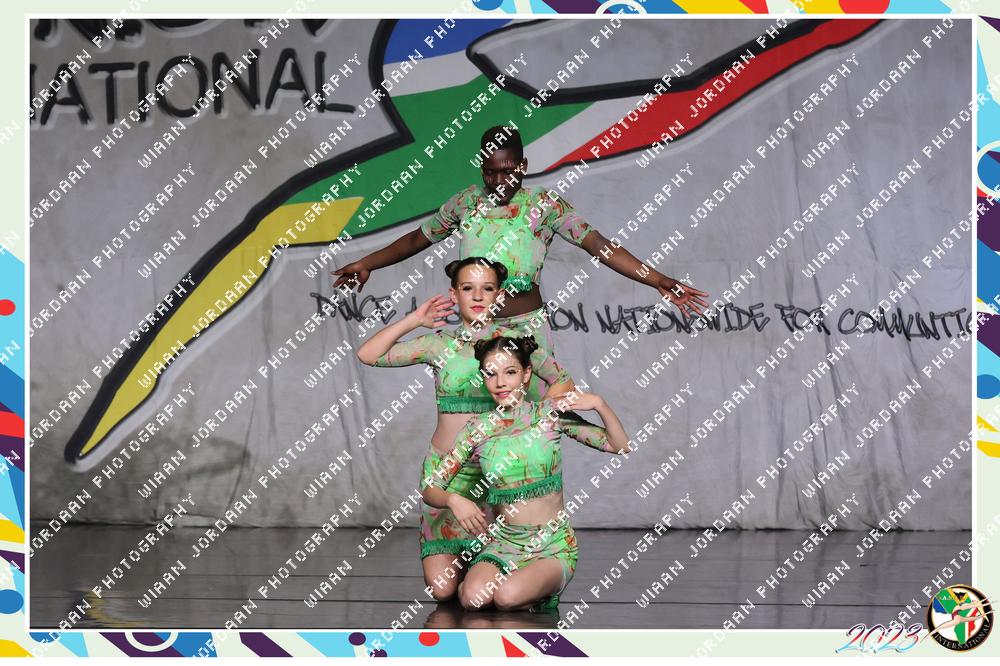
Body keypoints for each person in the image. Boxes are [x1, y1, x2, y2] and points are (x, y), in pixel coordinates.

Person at [334, 125, 709, 379]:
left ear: (523, 166)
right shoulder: (466, 203)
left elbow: (599, 245)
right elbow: (417, 240)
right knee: (476, 430)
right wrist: (367, 263)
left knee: (529, 431)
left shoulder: (543, 205)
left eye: (508, 171)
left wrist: (656, 279)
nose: (499, 181)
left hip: (528, 331)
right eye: (490, 172)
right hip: (477, 332)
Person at [356, 257, 574, 602]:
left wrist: (532, 425)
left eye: (487, 288)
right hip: (448, 474)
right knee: (441, 590)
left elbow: (562, 381)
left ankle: (519, 579)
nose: (477, 296)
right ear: (453, 294)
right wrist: (415, 320)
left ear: (499, 295)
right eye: (467, 288)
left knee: (483, 592)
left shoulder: (516, 343)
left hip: (497, 471)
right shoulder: (438, 344)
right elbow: (368, 354)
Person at [422, 335, 631, 612]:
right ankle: (483, 579)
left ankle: (542, 589)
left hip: (551, 543)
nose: (500, 382)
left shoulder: (549, 414)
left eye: (510, 372)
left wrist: (600, 404)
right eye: (491, 374)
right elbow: (430, 489)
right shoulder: (477, 428)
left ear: (526, 374)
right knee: (472, 599)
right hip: (504, 542)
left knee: (506, 597)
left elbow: (620, 445)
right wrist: (453, 500)